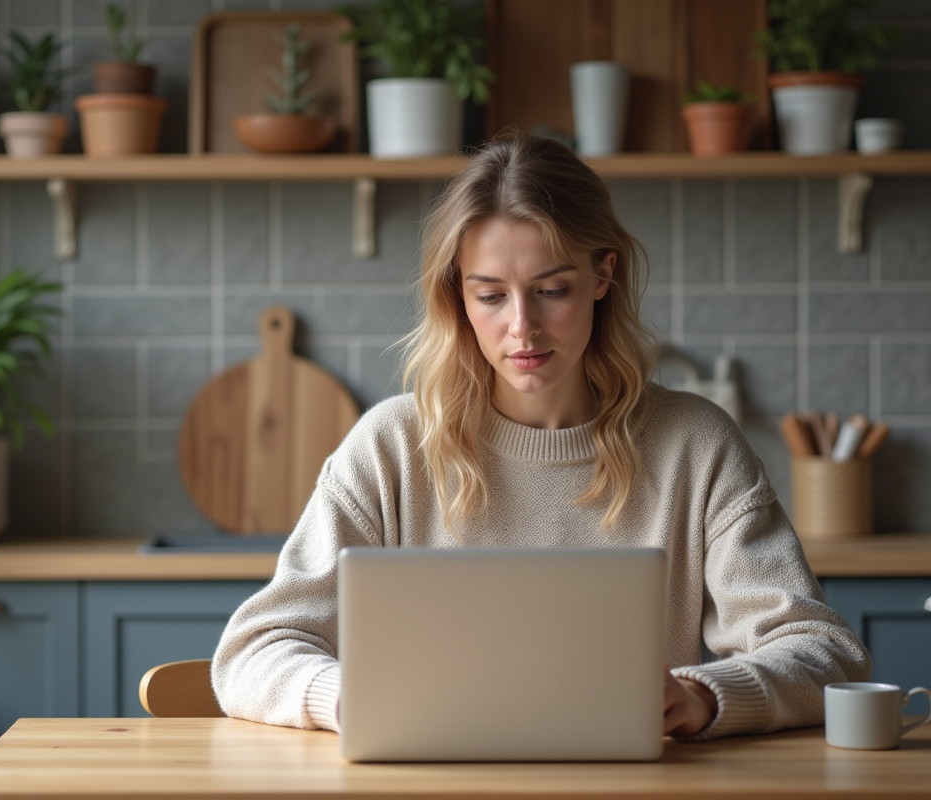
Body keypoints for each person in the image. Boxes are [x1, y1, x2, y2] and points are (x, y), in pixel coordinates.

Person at [211, 132, 870, 740]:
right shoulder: (390, 446)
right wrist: (346, 696)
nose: (522, 327)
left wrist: (704, 694)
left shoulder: (694, 442)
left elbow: (827, 651)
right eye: (490, 295)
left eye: (552, 289)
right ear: (457, 297)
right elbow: (253, 650)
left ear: (603, 276)